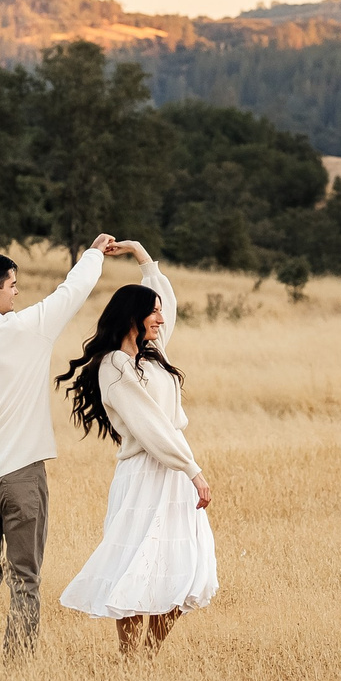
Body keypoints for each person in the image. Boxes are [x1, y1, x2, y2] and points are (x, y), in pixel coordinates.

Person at [0, 233, 113, 667]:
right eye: (13, 285)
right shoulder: (26, 329)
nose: (18, 293)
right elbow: (71, 292)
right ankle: (18, 668)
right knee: (24, 578)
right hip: (21, 476)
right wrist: (93, 253)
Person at [55, 240, 218, 655]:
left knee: (179, 570)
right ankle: (131, 661)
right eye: (153, 312)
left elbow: (169, 304)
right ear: (133, 317)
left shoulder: (153, 353)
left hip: (173, 472)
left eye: (160, 311)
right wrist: (193, 469)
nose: (161, 318)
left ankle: (149, 656)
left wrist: (141, 255)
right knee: (133, 568)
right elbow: (151, 426)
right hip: (145, 472)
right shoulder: (114, 365)